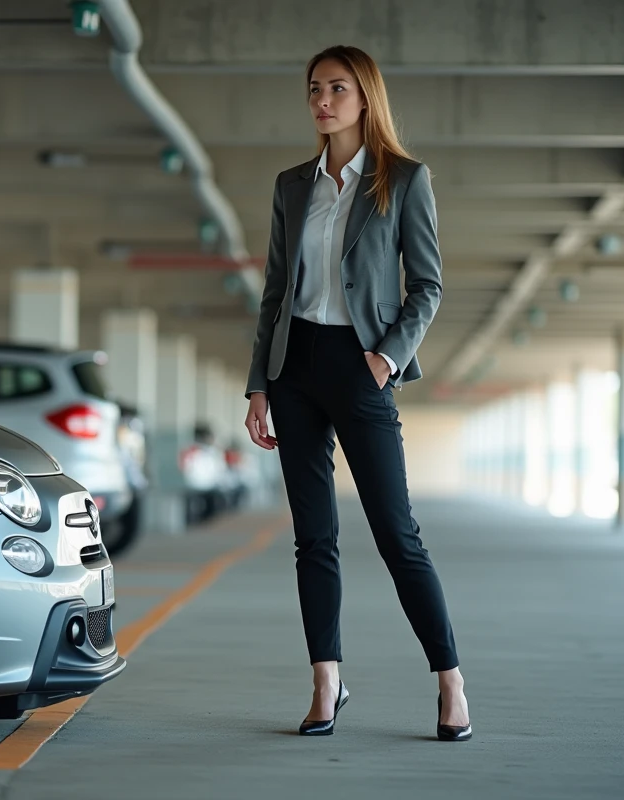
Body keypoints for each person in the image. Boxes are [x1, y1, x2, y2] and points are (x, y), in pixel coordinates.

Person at [242, 45, 471, 742]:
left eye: (337, 88)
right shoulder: (290, 185)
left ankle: (450, 682)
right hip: (294, 366)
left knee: (397, 536)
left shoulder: (402, 179)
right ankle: (326, 683)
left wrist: (385, 359)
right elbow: (276, 292)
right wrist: (259, 383)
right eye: (314, 88)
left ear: (365, 97)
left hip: (361, 364)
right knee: (314, 538)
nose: (322, 100)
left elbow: (427, 285)